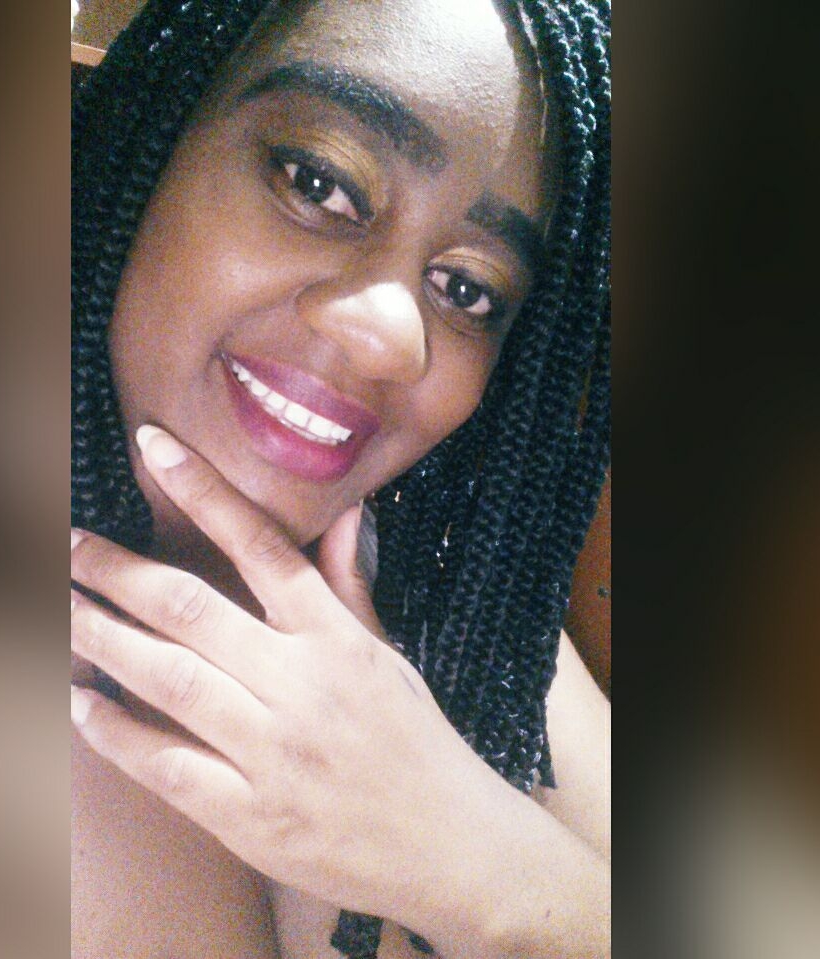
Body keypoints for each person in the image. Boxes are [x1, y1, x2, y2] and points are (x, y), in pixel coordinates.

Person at [70, 1, 611, 956]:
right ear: (145, 138)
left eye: (466, 289)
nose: (391, 338)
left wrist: (478, 861)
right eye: (318, 183)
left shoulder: (446, 602)